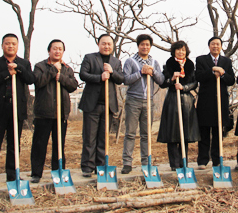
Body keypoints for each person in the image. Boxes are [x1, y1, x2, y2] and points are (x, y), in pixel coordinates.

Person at [0, 33, 35, 188]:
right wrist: (7, 73)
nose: (10, 46)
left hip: (16, 110)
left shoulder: (24, 63)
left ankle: (13, 175)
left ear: (17, 46)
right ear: (2, 46)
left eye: (13, 43)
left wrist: (18, 68)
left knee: (14, 145)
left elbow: (30, 79)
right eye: (7, 43)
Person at [30, 39, 78, 183]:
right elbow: (38, 82)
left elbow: (73, 86)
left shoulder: (67, 69)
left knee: (59, 145)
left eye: (60, 49)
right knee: (39, 145)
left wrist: (61, 77)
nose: (57, 51)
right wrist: (52, 71)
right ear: (49, 50)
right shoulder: (40, 66)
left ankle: (58, 172)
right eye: (54, 48)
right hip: (43, 113)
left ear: (63, 51)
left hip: (61, 114)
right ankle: (36, 173)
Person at [78, 34, 124, 177]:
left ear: (112, 46)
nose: (106, 46)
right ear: (99, 44)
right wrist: (100, 77)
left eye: (109, 44)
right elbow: (83, 75)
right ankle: (87, 167)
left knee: (104, 138)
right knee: (89, 137)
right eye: (104, 44)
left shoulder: (116, 62)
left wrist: (112, 72)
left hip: (108, 105)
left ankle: (101, 166)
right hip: (92, 104)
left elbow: (121, 79)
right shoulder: (90, 58)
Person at [121, 34, 164, 174]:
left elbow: (161, 80)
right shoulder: (130, 61)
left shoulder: (154, 62)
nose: (145, 47)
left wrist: (153, 72)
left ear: (150, 47)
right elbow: (125, 80)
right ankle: (127, 162)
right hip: (133, 101)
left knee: (146, 134)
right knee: (130, 133)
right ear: (138, 46)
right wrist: (140, 72)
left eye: (147, 45)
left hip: (149, 101)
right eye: (142, 44)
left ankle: (146, 161)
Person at [157, 41, 200, 171]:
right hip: (172, 101)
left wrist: (184, 87)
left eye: (183, 50)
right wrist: (171, 79)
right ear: (173, 51)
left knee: (184, 133)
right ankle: (174, 164)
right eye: (178, 50)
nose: (181, 52)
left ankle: (184, 162)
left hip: (187, 101)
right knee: (172, 133)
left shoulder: (190, 65)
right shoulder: (168, 65)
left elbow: (195, 83)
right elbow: (162, 83)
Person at [195, 36, 235, 169]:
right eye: (213, 44)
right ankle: (202, 160)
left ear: (221, 47)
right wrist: (212, 70)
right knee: (204, 132)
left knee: (218, 132)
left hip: (221, 101)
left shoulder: (226, 61)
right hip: (206, 101)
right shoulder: (201, 60)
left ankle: (217, 160)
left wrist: (222, 73)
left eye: (218, 44)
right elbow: (199, 76)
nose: (215, 46)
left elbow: (231, 80)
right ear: (209, 46)